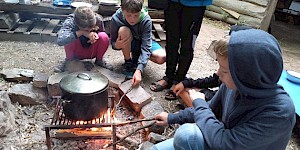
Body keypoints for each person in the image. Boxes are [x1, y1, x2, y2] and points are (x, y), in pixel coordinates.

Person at [150, 29, 296, 150]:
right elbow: (210, 109)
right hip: (220, 140)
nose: (218, 74)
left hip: (224, 144)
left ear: (247, 75)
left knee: (187, 136)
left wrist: (199, 103)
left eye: (224, 71)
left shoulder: (279, 113)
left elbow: (225, 143)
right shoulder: (234, 86)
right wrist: (172, 118)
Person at [172, 25, 253, 107]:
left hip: (217, 104)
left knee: (186, 93)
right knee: (184, 89)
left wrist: (199, 100)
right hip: (217, 97)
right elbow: (214, 80)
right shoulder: (228, 65)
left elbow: (218, 102)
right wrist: (187, 83)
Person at [150, 0, 213, 101]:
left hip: (195, 5)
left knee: (187, 44)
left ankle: (178, 80)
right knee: (171, 41)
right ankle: (168, 76)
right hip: (173, 2)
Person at [110, 0, 166, 86]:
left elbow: (146, 45)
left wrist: (139, 69)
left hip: (142, 42)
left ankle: (138, 60)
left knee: (161, 57)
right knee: (124, 30)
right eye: (129, 15)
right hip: (130, 42)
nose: (132, 19)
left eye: (136, 15)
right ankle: (128, 62)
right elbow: (113, 43)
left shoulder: (146, 20)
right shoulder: (115, 18)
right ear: (122, 10)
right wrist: (117, 45)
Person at [56, 6, 113, 72]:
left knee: (104, 37)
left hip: (92, 49)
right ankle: (69, 61)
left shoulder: (98, 19)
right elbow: (60, 40)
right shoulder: (70, 22)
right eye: (86, 29)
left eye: (91, 28)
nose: (89, 31)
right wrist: (82, 32)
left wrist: (95, 36)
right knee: (69, 37)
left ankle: (99, 60)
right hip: (76, 52)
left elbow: (102, 32)